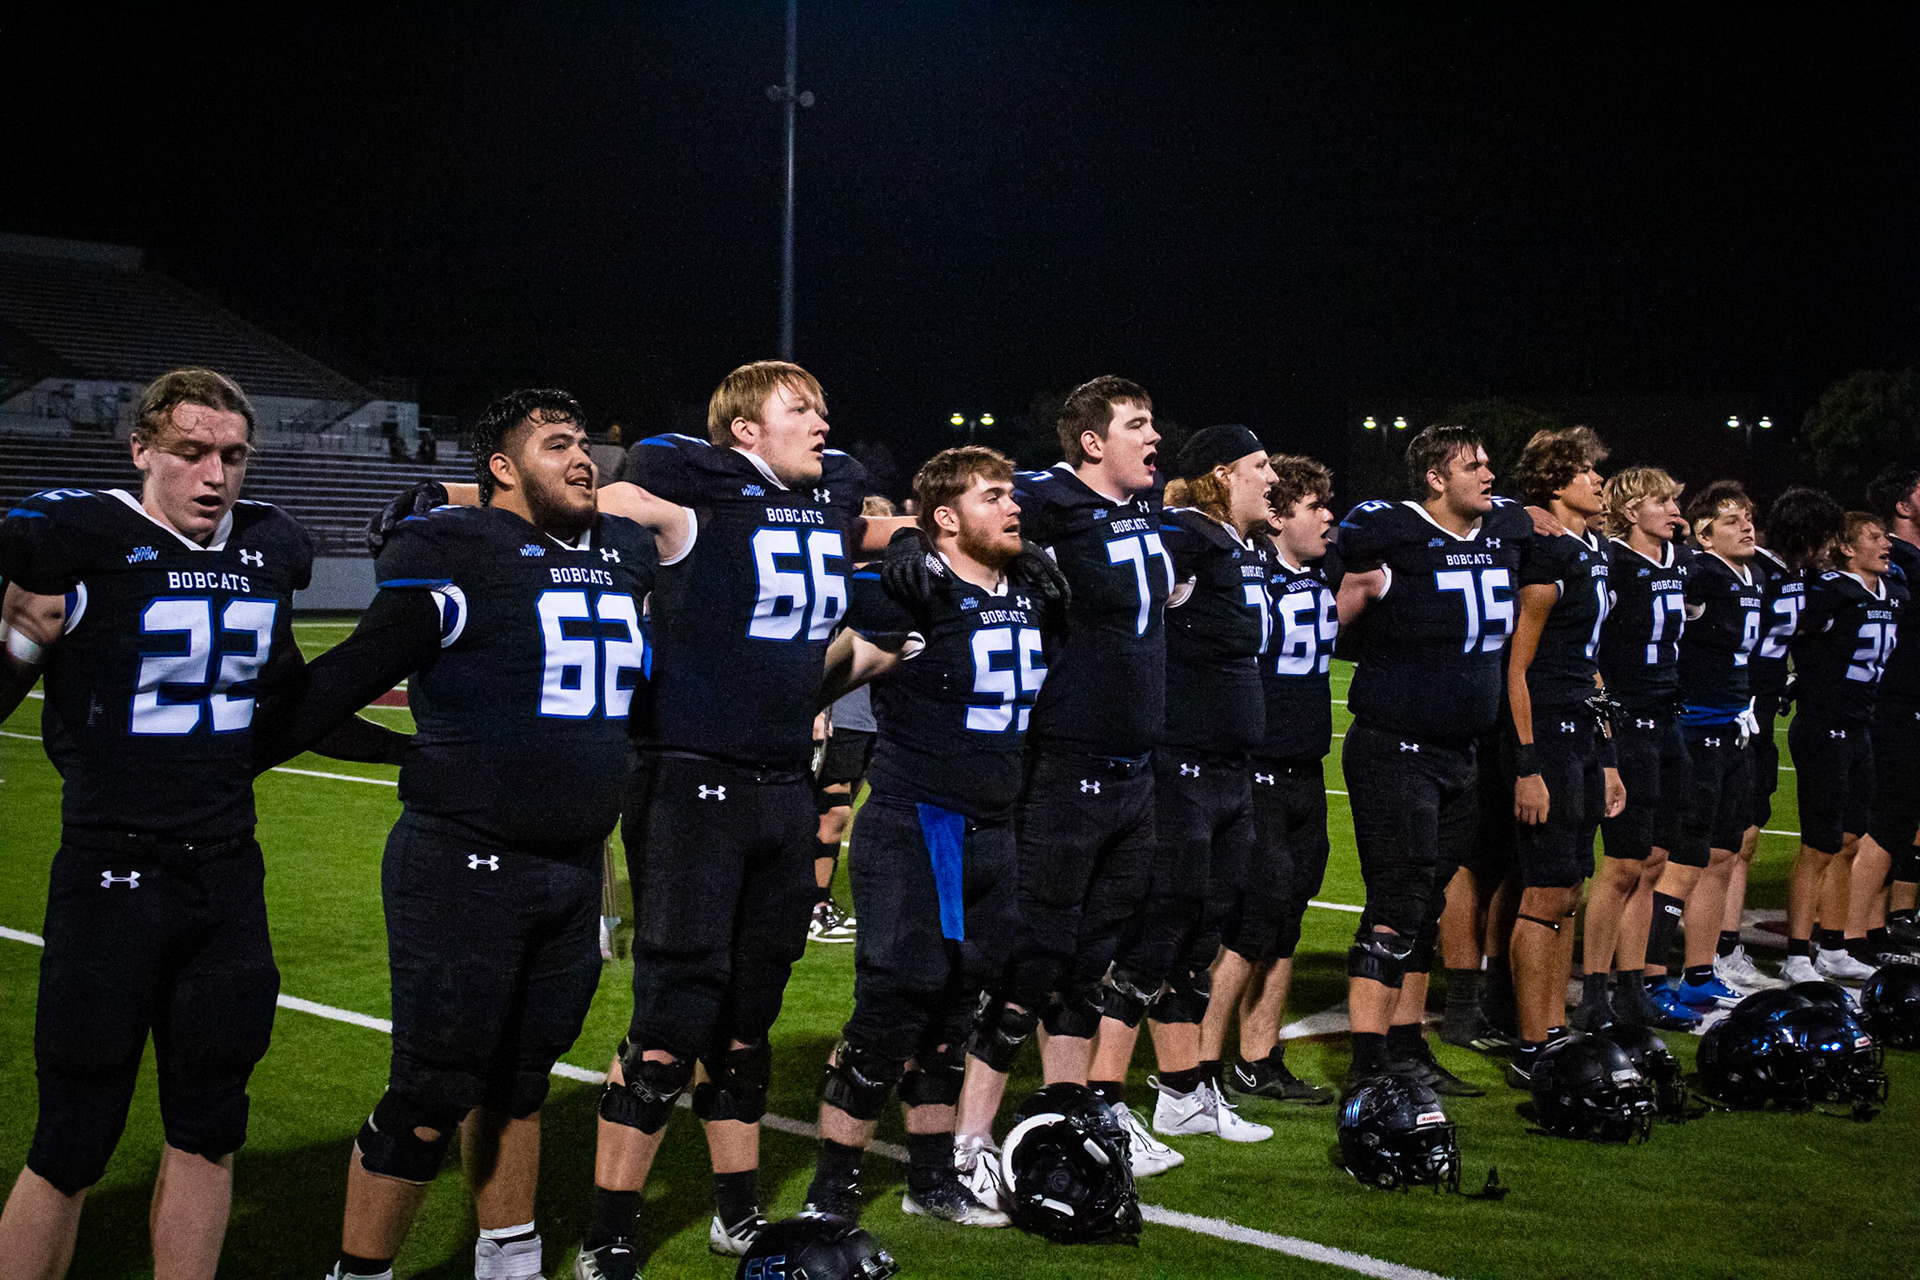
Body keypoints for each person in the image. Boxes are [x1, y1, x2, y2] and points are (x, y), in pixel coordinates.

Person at [0, 369, 399, 1280]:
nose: (215, 474)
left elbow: (289, 705)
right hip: (110, 875)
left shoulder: (268, 548)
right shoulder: (87, 541)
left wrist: (415, 755)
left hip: (225, 876)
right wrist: (20, 633)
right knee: (71, 1139)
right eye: (190, 451)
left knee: (212, 1127)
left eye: (233, 454)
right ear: (141, 450)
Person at [271, 390, 657, 1280]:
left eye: (584, 442)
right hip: (463, 862)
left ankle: (508, 1259)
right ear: (502, 468)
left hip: (574, 867)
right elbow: (338, 684)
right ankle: (360, 1273)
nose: (582, 456)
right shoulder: (458, 550)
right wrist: (396, 753)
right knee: (432, 1089)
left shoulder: (624, 551)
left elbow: (661, 513)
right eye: (555, 444)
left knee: (522, 1080)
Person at [576, 362, 949, 1277]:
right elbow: (600, 497)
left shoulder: (821, 505)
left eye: (822, 405)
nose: (823, 421)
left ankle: (736, 1213)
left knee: (748, 1024)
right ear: (744, 430)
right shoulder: (692, 496)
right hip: (690, 782)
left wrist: (906, 569)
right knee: (669, 1023)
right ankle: (608, 1234)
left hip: (783, 781)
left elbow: (847, 575)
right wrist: (457, 499)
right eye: (799, 408)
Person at [930, 378, 1180, 1186]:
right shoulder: (1046, 498)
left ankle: (1069, 1112)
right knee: (1032, 959)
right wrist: (909, 544)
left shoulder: (1143, 509)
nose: (1154, 437)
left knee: (1090, 962)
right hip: (1065, 769)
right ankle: (968, 1138)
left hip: (1133, 774)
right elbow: (962, 521)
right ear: (1092, 442)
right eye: (1137, 424)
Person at [801, 446, 1048, 1229]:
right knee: (891, 1013)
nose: (1012, 506)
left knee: (955, 1014)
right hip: (919, 825)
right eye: (992, 496)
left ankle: (933, 1178)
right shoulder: (912, 593)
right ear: (946, 516)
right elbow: (826, 670)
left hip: (994, 828)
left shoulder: (1030, 588)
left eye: (1011, 493)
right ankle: (831, 1190)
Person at [1087, 425, 1277, 1146]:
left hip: (1229, 771)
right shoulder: (1182, 538)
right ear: (1223, 475)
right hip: (1181, 769)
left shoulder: (1234, 545)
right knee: (1157, 931)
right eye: (1260, 466)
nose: (1273, 480)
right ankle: (1103, 1097)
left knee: (1200, 937)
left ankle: (1183, 1092)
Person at [1334, 424, 1533, 1093]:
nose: (1488, 474)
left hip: (1462, 755)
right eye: (1471, 465)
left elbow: (1528, 524)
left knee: (1424, 904)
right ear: (1434, 477)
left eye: (1488, 463)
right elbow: (1335, 588)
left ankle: (1406, 1046)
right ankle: (1369, 1066)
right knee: (1396, 902)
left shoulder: (1502, 532)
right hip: (1396, 750)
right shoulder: (1394, 539)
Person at [1209, 455, 1340, 1107]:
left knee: (1287, 919)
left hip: (1305, 771)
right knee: (1250, 921)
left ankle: (1258, 1059)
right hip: (1254, 770)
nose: (1328, 517)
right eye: (1314, 506)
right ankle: (1197, 1069)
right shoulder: (1246, 573)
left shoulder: (1323, 570)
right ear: (1279, 517)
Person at [1496, 428, 1625, 1084]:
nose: (1598, 480)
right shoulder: (1546, 554)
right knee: (1544, 891)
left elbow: (1590, 666)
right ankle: (1529, 1042)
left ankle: (1554, 1028)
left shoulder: (1590, 549)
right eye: (1584, 471)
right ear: (1552, 482)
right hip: (1544, 732)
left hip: (1580, 732)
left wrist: (1608, 757)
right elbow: (1516, 668)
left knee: (1570, 891)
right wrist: (1527, 764)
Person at [1575, 467, 1696, 1031]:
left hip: (1669, 720)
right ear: (1630, 511)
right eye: (1662, 501)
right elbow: (1591, 649)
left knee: (1653, 863)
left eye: (1675, 500)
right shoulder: (1615, 563)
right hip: (1627, 723)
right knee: (1622, 865)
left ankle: (1631, 984)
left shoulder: (1680, 561)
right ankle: (1594, 990)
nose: (1675, 510)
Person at [1715, 488, 1842, 993]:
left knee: (1746, 837)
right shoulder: (1757, 571)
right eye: (1824, 536)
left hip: (1763, 710)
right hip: (1736, 711)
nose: (1830, 547)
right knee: (1729, 840)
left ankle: (1725, 948)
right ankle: (1715, 951)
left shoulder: (1794, 574)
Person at [1646, 481, 1762, 1012]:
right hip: (1697, 727)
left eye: (1748, 517)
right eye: (1731, 520)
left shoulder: (1751, 574)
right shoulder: (1700, 571)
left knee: (1722, 855)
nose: (1747, 526)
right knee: (1685, 858)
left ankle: (1699, 972)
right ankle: (1650, 976)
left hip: (1735, 727)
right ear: (1705, 534)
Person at [1781, 512, 1907, 982]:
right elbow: (1790, 634)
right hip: (1823, 725)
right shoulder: (1829, 592)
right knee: (1818, 845)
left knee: (1850, 842)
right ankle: (1797, 954)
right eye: (1873, 537)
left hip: (1860, 726)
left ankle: (1832, 946)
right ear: (1848, 548)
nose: (1885, 544)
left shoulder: (1892, 592)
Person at [808, 495, 899, 945]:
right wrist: (818, 710)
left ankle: (814, 902)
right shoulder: (842, 587)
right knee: (834, 810)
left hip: (867, 718)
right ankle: (814, 906)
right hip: (840, 714)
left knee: (843, 808)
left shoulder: (888, 587)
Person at [1864, 464, 1920, 952]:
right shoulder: (1894, 561)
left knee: (1903, 818)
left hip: (1909, 701)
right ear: (1903, 505)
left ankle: (1894, 917)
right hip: (1892, 701)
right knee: (1885, 818)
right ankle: (1858, 930)